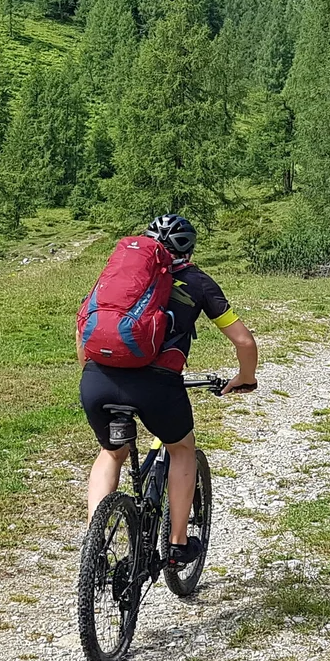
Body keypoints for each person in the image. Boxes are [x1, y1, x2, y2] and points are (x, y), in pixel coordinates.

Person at [80, 214, 258, 562]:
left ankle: (93, 545)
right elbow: (245, 342)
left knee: (111, 453)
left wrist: (92, 371)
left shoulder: (119, 276)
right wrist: (245, 378)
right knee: (181, 449)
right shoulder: (198, 282)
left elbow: (84, 326)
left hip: (97, 379)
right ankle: (177, 544)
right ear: (189, 249)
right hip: (156, 387)